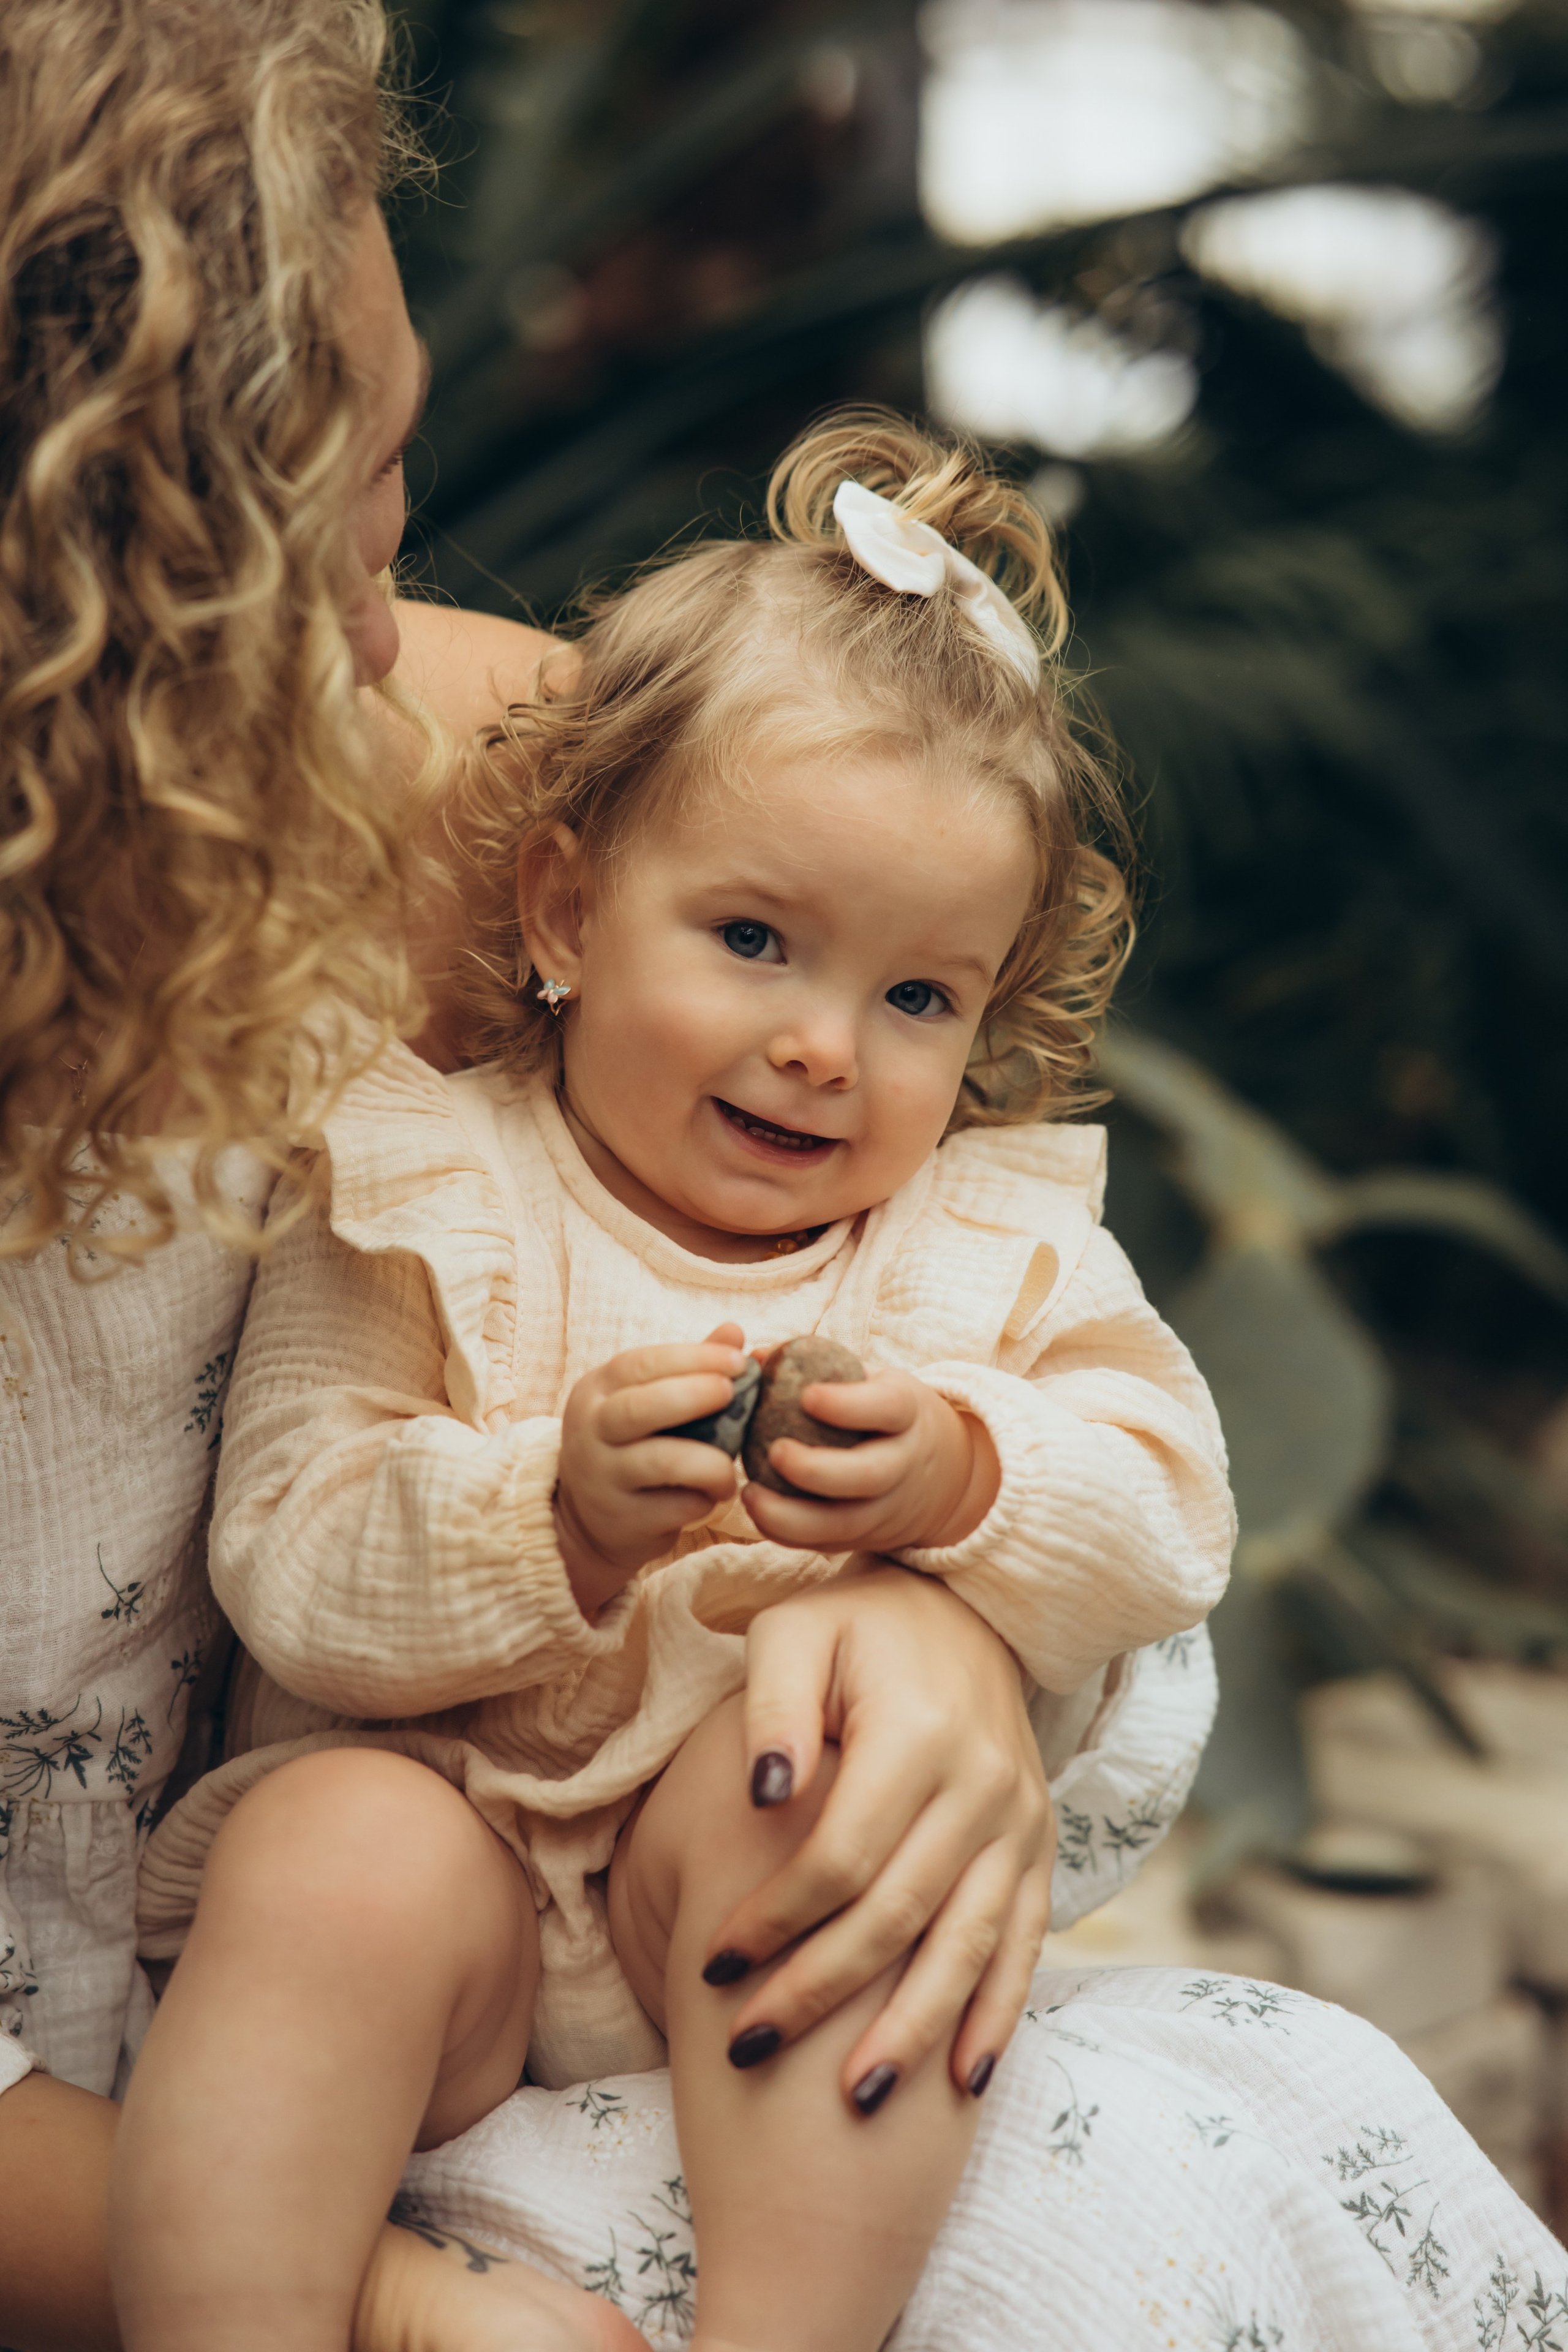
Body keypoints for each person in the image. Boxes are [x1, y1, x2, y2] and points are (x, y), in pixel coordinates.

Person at [108, 410, 1238, 2352]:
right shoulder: (424, 1182)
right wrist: (539, 1510)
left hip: (733, 1907)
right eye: (752, 941)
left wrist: (970, 1474)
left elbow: (1170, 1516)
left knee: (837, 1809)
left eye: (916, 997)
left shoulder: (985, 1244)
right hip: (446, 1891)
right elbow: (284, 1543)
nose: (824, 1049)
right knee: (329, 1852)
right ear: (561, 913)